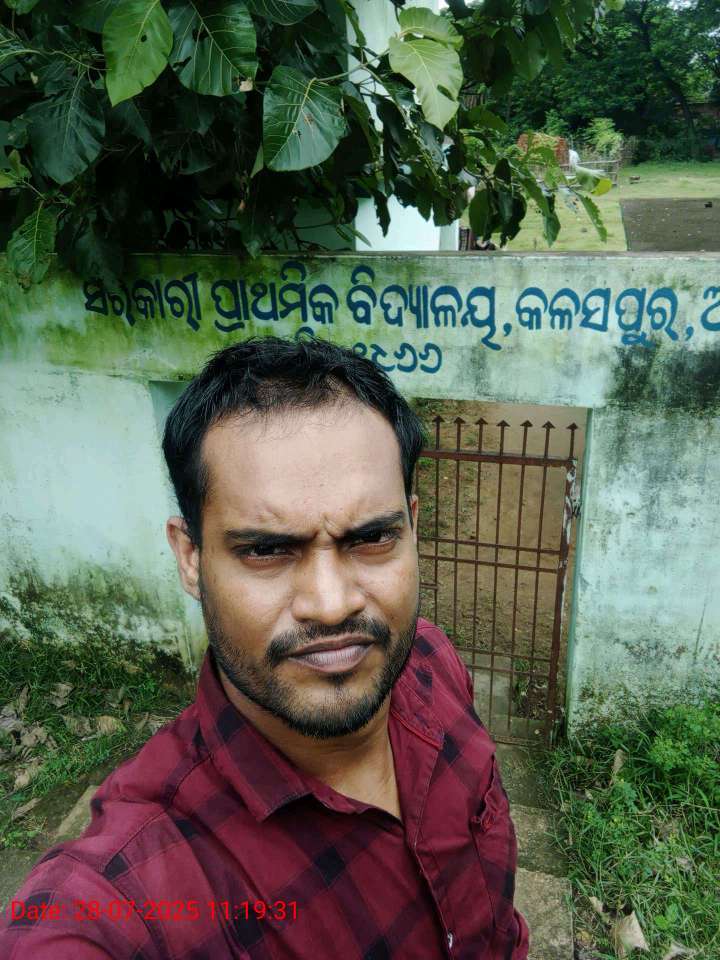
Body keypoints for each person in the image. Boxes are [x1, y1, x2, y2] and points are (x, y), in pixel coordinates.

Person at [0, 336, 530, 959]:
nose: (331, 604)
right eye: (266, 550)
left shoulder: (431, 662)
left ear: (412, 526)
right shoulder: (130, 891)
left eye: (371, 539)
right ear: (190, 558)